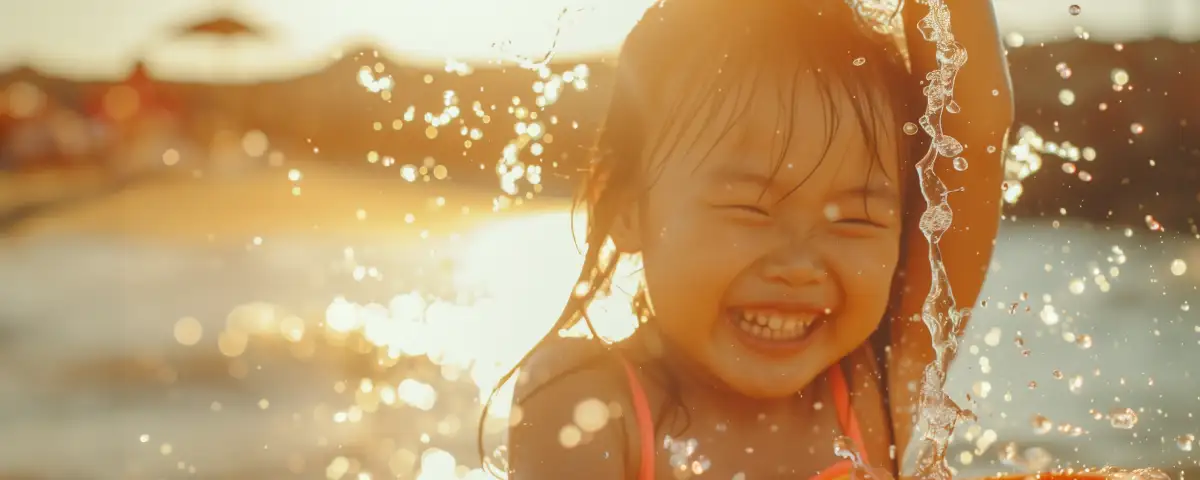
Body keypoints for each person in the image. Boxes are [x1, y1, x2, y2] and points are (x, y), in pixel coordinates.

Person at [482, 0, 1013, 478]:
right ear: (624, 209)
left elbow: (973, 137)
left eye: (856, 220)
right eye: (748, 209)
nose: (800, 264)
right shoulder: (587, 399)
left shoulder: (874, 383)